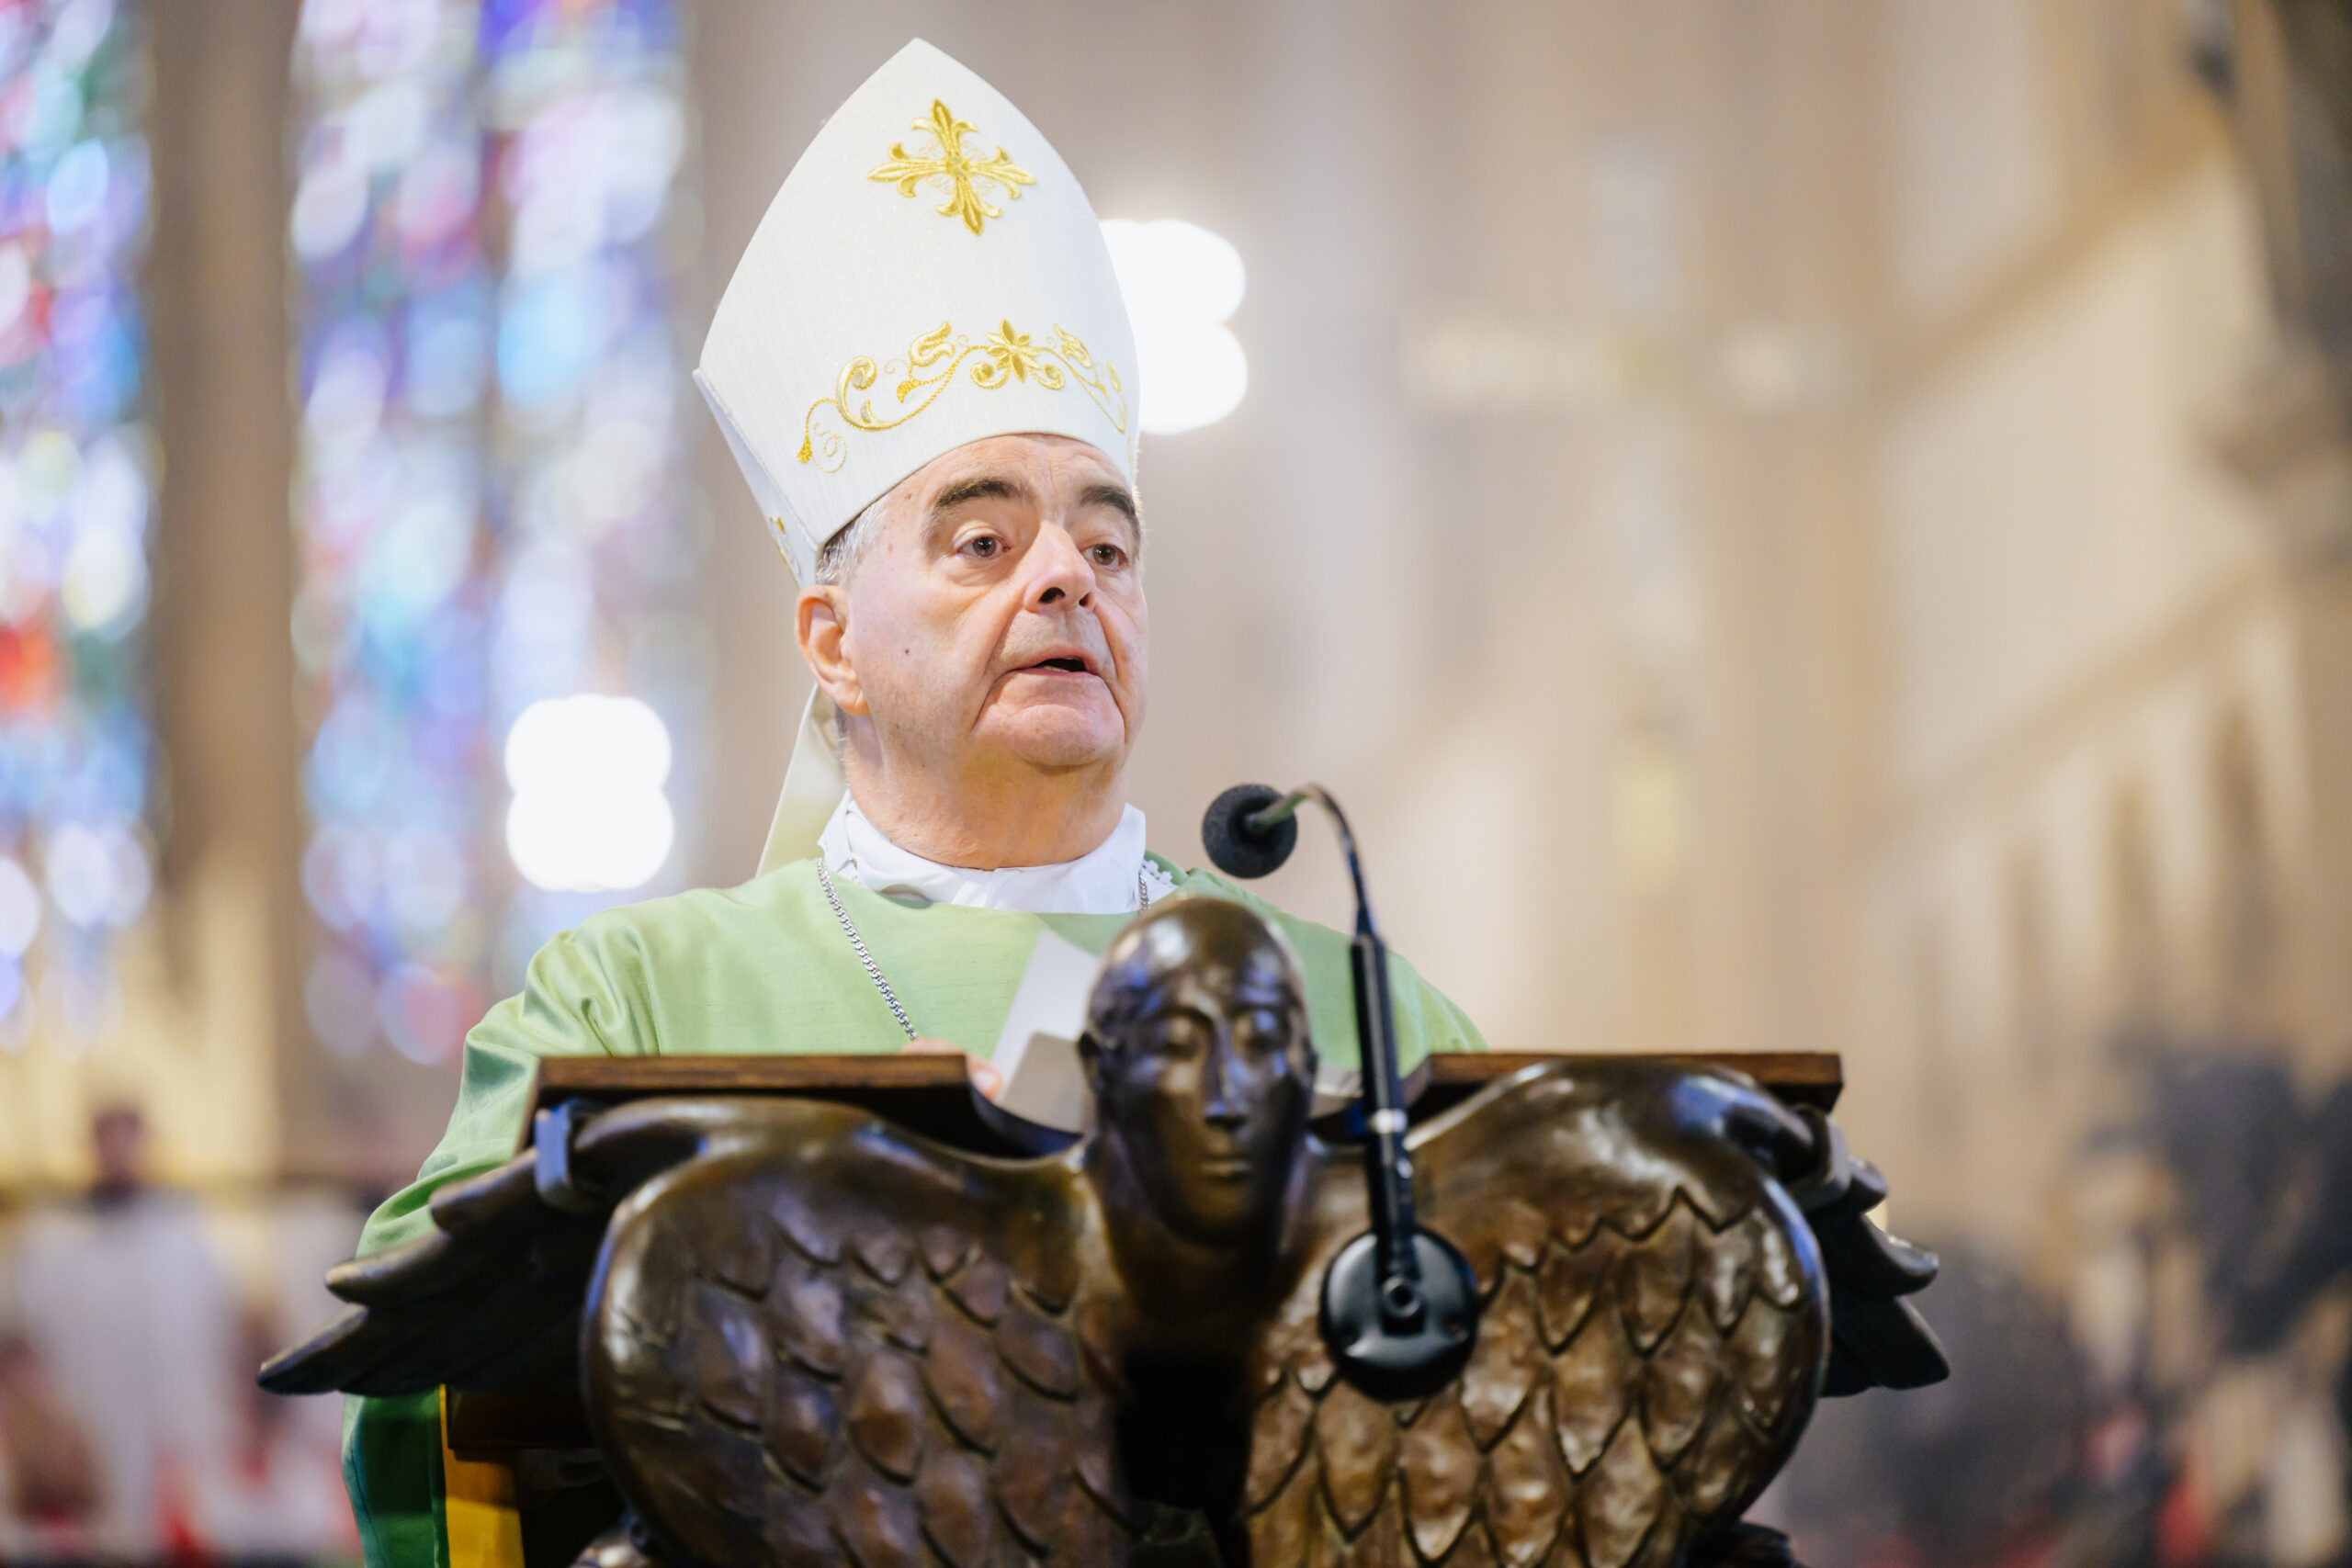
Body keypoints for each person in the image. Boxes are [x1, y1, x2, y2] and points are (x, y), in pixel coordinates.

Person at [338, 39, 1487, 1566]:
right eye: (982, 542)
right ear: (832, 645)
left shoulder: (1360, 1011)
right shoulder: (634, 1006)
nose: (1066, 575)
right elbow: (417, 1399)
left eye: (1108, 545)